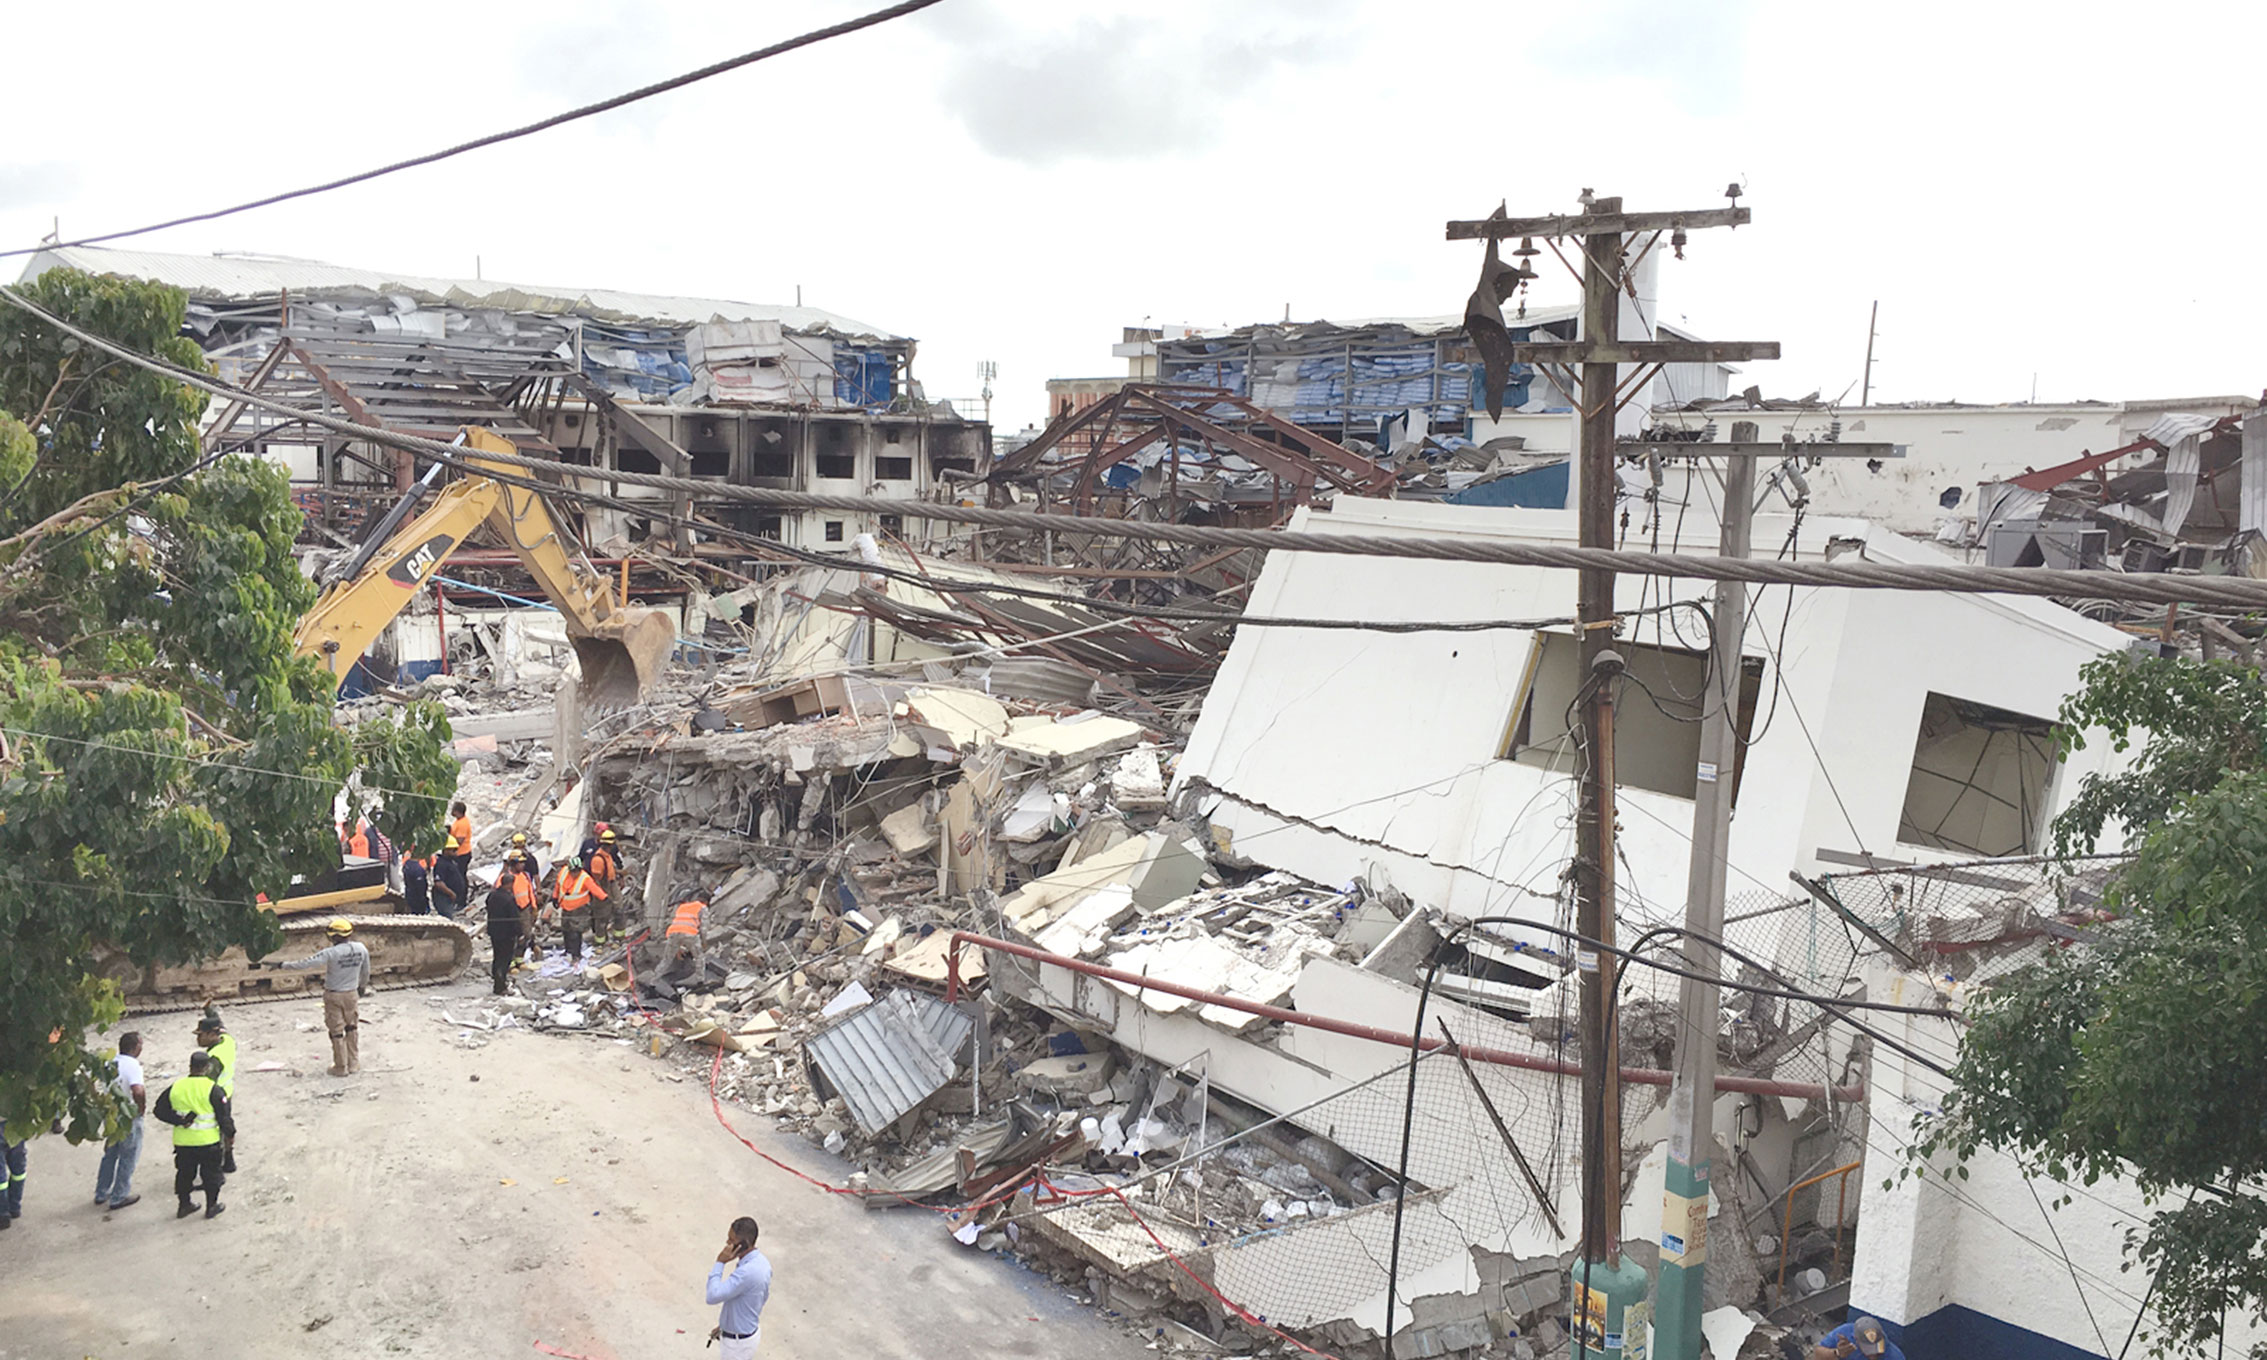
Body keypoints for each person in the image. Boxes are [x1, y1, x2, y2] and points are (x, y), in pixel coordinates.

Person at [269, 919, 372, 1076]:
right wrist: (362, 987)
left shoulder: (330, 953)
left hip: (334, 995)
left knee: (336, 1031)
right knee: (352, 1027)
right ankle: (353, 1063)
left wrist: (282, 965)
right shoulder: (361, 949)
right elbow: (366, 971)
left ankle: (340, 1066)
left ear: (334, 937)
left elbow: (305, 964)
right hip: (352, 994)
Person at [154, 1050, 233, 1220]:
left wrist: (179, 1120)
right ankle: (212, 1206)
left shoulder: (176, 1087)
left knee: (184, 1174)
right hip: (208, 1142)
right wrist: (230, 1136)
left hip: (183, 1143)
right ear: (207, 1067)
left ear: (190, 1067)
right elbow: (224, 1118)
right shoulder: (214, 1090)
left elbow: (159, 1110)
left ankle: (184, 1205)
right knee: (211, 1175)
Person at [704, 1216, 772, 1359]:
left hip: (737, 1344)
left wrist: (720, 1262)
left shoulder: (746, 1273)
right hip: (744, 1335)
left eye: (732, 1240)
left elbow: (712, 1296)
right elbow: (761, 1298)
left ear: (744, 1244)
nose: (727, 1243)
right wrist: (725, 1325)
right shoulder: (762, 1263)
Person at [94, 1032, 147, 1211]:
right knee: (128, 1156)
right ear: (135, 1047)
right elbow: (138, 1090)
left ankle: (102, 1191)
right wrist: (141, 1108)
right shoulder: (133, 1066)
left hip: (111, 1113)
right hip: (127, 1115)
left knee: (110, 1154)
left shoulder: (111, 1063)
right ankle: (119, 1195)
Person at [194, 1012, 240, 1173]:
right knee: (227, 1127)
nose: (198, 1039)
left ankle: (216, 1169)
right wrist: (210, 1011)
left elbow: (205, 1082)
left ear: (213, 1035)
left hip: (216, 1097)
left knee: (216, 1132)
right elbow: (223, 1026)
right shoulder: (228, 1041)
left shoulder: (214, 1058)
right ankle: (229, 1160)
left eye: (201, 1035)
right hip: (227, 1093)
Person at [550, 856, 608, 966]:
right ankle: (568, 951)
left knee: (576, 932)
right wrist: (555, 897)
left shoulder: (584, 878)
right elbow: (558, 885)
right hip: (566, 907)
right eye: (573, 871)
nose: (575, 873)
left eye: (577, 871)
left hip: (580, 909)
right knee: (566, 929)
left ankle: (576, 955)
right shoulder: (563, 873)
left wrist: (604, 897)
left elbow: (594, 889)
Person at [483, 880, 523, 995]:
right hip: (506, 934)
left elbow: (487, 905)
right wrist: (519, 933)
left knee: (497, 957)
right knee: (504, 960)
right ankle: (500, 986)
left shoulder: (492, 895)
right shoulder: (508, 899)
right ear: (510, 884)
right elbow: (514, 918)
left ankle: (497, 981)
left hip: (494, 931)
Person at [585, 828, 624, 943]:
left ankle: (618, 938)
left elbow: (610, 870)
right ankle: (600, 942)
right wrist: (601, 896)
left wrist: (620, 875)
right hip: (603, 887)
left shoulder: (607, 855)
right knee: (602, 916)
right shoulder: (598, 859)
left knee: (619, 911)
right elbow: (596, 880)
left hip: (612, 885)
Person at [661, 896, 710, 982]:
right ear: (705, 903)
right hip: (688, 934)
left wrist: (678, 948)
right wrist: (704, 942)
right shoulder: (701, 908)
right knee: (699, 957)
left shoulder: (683, 907)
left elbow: (677, 925)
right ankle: (700, 981)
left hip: (672, 933)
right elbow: (703, 929)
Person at [1811, 1316, 1903, 1360]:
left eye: (1877, 1351)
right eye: (1869, 1351)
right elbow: (1817, 1354)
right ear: (1856, 1339)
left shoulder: (1895, 1356)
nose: (1873, 1358)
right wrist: (1837, 1353)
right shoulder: (1845, 1331)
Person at [0, 1117, 24, 1229]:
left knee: (1, 1178)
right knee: (18, 1170)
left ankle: (2, 1215)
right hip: (16, 1122)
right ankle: (14, 1207)